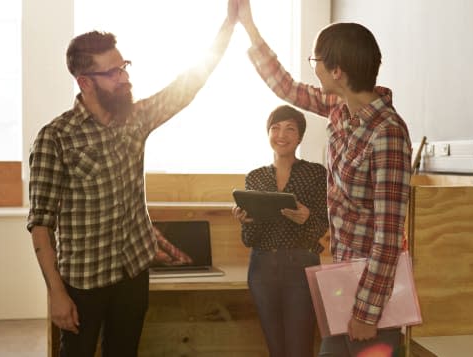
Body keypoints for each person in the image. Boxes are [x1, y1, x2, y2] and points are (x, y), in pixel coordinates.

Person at [26, 2, 237, 356]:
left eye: (123, 67)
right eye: (112, 73)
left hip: (133, 271)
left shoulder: (135, 120)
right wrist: (57, 294)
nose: (124, 77)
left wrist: (229, 25)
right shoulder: (56, 138)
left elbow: (188, 85)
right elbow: (41, 224)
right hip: (84, 280)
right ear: (84, 82)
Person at [236, 1, 413, 356]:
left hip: (372, 289)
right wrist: (249, 26)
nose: (313, 68)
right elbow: (285, 87)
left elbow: (389, 236)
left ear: (338, 72)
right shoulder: (339, 108)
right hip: (342, 274)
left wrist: (366, 311)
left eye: (316, 61)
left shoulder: (388, 134)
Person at [232, 105, 328, 357]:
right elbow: (249, 240)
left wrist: (306, 218)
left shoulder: (316, 173)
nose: (281, 135)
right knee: (276, 349)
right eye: (275, 128)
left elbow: (323, 225)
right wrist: (246, 221)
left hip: (301, 266)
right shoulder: (255, 177)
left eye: (289, 129)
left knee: (299, 349)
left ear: (300, 136)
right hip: (262, 267)